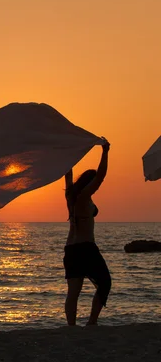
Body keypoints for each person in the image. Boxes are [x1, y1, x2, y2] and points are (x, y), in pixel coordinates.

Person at [63, 139, 112, 326]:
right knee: (105, 283)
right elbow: (101, 176)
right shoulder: (83, 197)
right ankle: (92, 322)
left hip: (71, 249)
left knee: (73, 292)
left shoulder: (71, 197)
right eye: (93, 183)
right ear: (89, 183)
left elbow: (68, 175)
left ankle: (71, 328)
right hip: (85, 248)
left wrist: (68, 156)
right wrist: (105, 152)